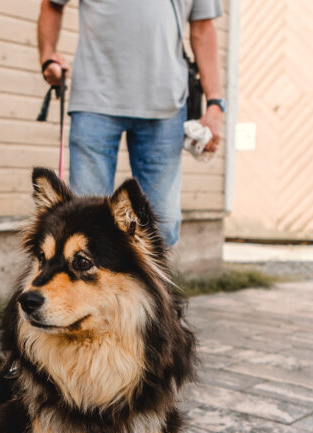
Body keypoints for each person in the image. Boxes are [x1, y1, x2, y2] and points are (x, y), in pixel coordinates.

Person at [36, 0, 225, 248]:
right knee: (83, 224)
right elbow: (52, 4)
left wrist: (215, 104)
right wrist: (47, 56)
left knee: (162, 231)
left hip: (165, 106)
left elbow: (202, 29)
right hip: (95, 101)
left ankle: (145, 288)